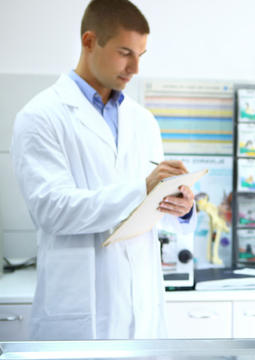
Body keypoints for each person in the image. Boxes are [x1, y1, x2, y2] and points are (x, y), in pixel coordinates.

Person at [10, 0, 196, 340]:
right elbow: (52, 211)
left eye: (141, 54)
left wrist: (179, 208)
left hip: (142, 312)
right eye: (125, 52)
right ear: (89, 41)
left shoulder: (143, 122)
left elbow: (149, 211)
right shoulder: (41, 117)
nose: (135, 67)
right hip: (80, 317)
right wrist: (141, 189)